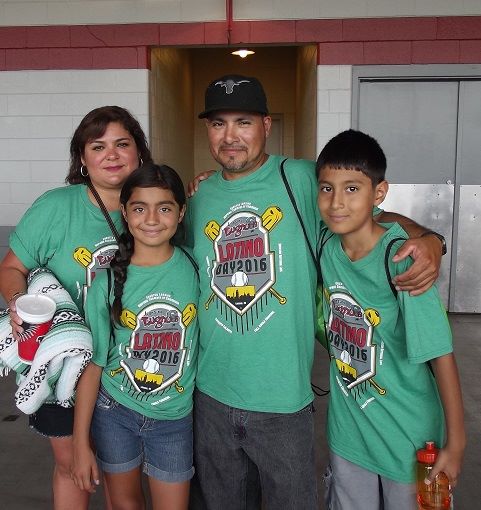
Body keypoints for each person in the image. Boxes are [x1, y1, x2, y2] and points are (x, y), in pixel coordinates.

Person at [185, 74, 445, 509]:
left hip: (282, 398)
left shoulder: (302, 179)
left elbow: (372, 220)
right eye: (218, 124)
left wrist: (432, 241)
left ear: (266, 125)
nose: (230, 137)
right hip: (209, 392)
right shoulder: (199, 195)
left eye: (243, 122)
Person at [0, 105, 152, 510]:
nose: (112, 154)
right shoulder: (55, 207)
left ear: (140, 152)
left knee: (125, 478)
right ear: (82, 158)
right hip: (62, 365)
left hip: (130, 367)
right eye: (98, 146)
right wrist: (18, 304)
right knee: (73, 468)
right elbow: (12, 268)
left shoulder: (154, 207)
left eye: (123, 144)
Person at [316, 129, 465, 509]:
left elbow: (441, 355)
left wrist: (457, 444)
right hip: (349, 436)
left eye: (352, 189)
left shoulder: (402, 259)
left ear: (378, 194)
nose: (336, 203)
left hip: (409, 440)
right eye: (327, 189)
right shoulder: (327, 249)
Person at [71, 163, 199, 510]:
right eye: (140, 208)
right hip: (115, 412)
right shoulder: (108, 283)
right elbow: (94, 367)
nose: (152, 218)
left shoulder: (194, 267)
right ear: (125, 213)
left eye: (165, 208)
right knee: (126, 505)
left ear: (181, 212)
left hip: (173, 418)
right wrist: (81, 444)